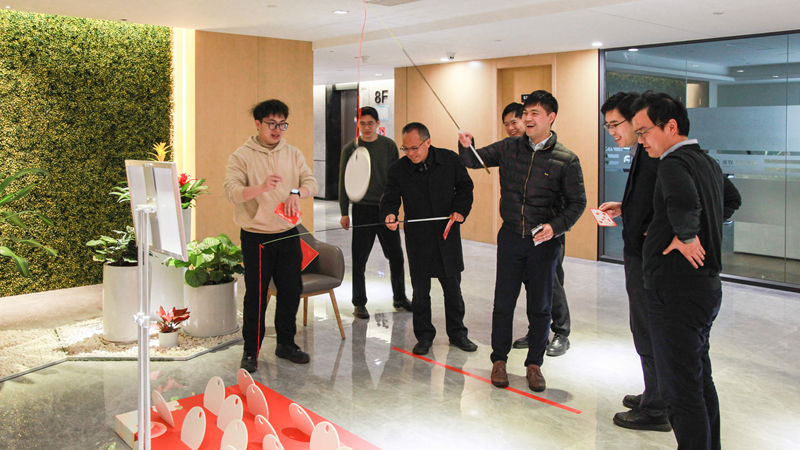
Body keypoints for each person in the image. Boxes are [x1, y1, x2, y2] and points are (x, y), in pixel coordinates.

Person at [631, 91, 740, 449]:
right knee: (699, 380)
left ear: (671, 126)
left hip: (676, 291)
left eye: (644, 131)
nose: (641, 140)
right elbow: (731, 199)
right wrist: (694, 228)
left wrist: (688, 235)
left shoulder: (672, 163)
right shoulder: (706, 161)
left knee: (681, 391)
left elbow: (683, 200)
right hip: (704, 289)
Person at [458, 90, 586, 392]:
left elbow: (577, 203)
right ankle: (499, 360)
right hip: (512, 236)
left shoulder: (566, 159)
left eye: (534, 113)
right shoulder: (508, 147)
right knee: (503, 302)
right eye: (525, 113)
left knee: (540, 306)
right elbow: (474, 160)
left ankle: (534, 365)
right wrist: (466, 145)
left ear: (551, 117)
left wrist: (555, 227)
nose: (527, 119)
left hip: (544, 242)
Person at [223, 99, 318, 373]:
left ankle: (286, 344)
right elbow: (232, 192)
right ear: (258, 124)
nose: (277, 130)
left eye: (282, 124)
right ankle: (250, 351)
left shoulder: (293, 153)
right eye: (271, 124)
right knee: (256, 295)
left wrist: (296, 192)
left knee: (291, 290)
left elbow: (311, 182)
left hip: (288, 233)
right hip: (256, 237)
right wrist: (261, 187)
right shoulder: (241, 156)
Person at [598, 92, 670, 432]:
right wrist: (626, 207)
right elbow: (652, 201)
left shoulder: (660, 156)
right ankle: (654, 393)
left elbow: (680, 206)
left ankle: (657, 408)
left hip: (649, 260)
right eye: (608, 126)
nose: (612, 132)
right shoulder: (643, 153)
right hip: (639, 255)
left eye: (616, 124)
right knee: (643, 328)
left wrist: (665, 234)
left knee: (649, 329)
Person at [381, 122, 477, 356]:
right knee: (420, 291)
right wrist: (390, 214)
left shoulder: (449, 160)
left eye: (415, 148)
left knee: (452, 288)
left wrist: (460, 210)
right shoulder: (398, 169)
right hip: (418, 237)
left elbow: (465, 188)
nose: (410, 153)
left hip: (446, 234)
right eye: (405, 149)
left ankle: (458, 333)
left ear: (427, 142)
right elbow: (390, 198)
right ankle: (424, 336)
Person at [506, 102, 572, 358]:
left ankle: (561, 332)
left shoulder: (556, 155)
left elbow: (572, 200)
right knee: (531, 283)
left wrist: (554, 225)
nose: (512, 127)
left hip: (548, 231)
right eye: (507, 124)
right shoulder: (516, 152)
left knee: (551, 282)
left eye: (516, 121)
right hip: (522, 233)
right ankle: (538, 331)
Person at [338, 106, 412, 320]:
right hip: (362, 209)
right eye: (362, 123)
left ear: (378, 124)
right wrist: (344, 212)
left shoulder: (388, 146)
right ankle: (359, 303)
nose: (367, 127)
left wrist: (395, 206)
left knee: (396, 256)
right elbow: (344, 180)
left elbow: (396, 178)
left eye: (370, 123)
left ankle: (400, 297)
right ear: (358, 124)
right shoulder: (351, 148)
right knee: (359, 259)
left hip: (386, 209)